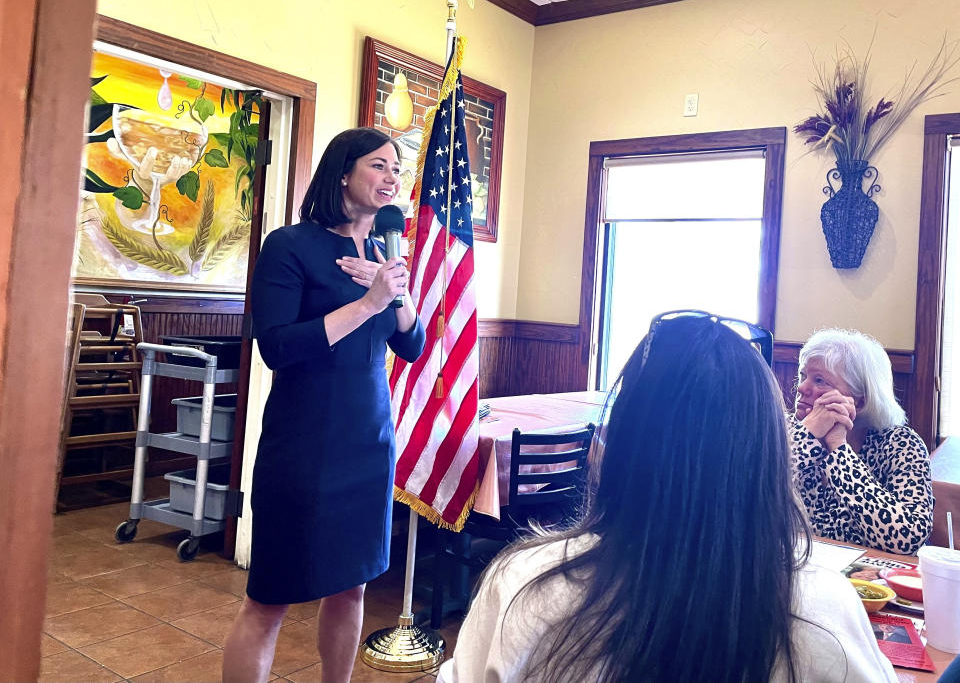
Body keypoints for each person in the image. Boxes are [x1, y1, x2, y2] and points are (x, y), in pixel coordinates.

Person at [439, 312, 896, 683]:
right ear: (767, 454)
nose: (805, 392)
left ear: (619, 440)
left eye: (820, 381)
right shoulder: (823, 607)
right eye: (802, 379)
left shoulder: (523, 585)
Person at [222, 127, 426, 683]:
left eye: (396, 169)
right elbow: (279, 348)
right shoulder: (292, 245)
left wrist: (397, 294)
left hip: (368, 442)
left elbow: (410, 344)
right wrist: (369, 302)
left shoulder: (386, 250)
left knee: (352, 585)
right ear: (343, 171)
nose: (391, 178)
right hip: (305, 443)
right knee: (271, 597)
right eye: (379, 165)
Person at [790, 328, 933, 555]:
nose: (802, 388)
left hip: (871, 583)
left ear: (860, 401)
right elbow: (748, 497)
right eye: (802, 375)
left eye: (820, 381)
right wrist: (805, 435)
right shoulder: (788, 431)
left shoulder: (901, 444)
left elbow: (906, 538)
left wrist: (838, 447)